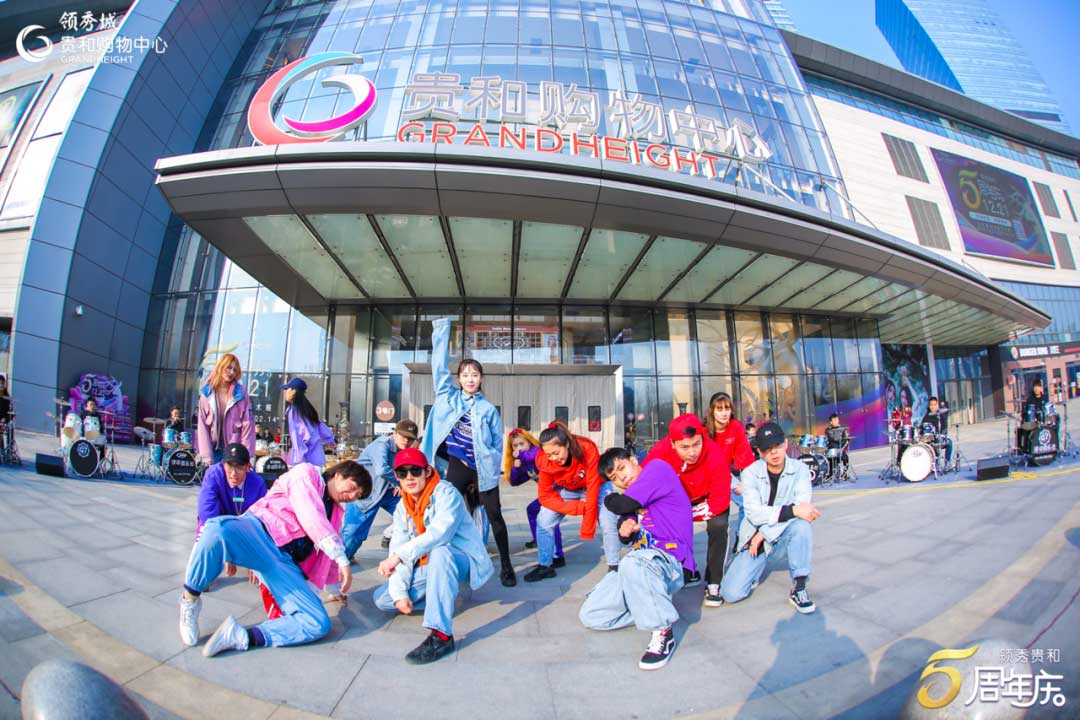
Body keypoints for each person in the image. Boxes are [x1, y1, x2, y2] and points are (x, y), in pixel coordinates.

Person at [178, 460, 371, 656]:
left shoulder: (335, 512)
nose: (352, 496)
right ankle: (189, 600)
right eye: (353, 488)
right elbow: (311, 516)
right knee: (216, 530)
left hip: (282, 563)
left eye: (357, 496)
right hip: (257, 532)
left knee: (317, 622)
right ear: (339, 474)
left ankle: (239, 636)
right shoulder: (306, 474)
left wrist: (335, 589)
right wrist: (342, 558)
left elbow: (326, 560)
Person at [373, 448, 494, 664]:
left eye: (415, 471)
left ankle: (441, 635)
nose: (409, 478)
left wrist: (399, 556)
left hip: (459, 560)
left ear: (427, 471)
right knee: (384, 600)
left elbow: (440, 533)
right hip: (429, 566)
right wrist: (400, 593)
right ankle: (442, 595)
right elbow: (399, 546)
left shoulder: (446, 493)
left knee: (440, 551)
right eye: (402, 473)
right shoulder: (402, 508)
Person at [420, 317, 515, 587]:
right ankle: (436, 560)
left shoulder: (488, 409)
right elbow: (439, 367)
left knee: (494, 515)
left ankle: (506, 565)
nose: (470, 379)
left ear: (481, 378)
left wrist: (491, 465)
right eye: (465, 375)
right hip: (457, 466)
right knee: (444, 512)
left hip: (483, 470)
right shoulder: (447, 396)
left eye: (475, 375)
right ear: (459, 379)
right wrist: (442, 330)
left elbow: (497, 443)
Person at [581, 447, 693, 670]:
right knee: (591, 615)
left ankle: (663, 630)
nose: (621, 478)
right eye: (614, 477)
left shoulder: (656, 469)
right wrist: (626, 528)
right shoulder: (633, 497)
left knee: (631, 561)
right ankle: (652, 604)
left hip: (671, 561)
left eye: (622, 468)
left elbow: (620, 504)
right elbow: (626, 530)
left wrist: (610, 498)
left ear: (633, 460)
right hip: (640, 568)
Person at [720, 422, 820, 614]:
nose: (774, 452)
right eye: (767, 448)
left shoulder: (800, 470)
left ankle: (799, 587)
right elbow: (754, 513)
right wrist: (791, 512)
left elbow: (803, 510)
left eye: (777, 446)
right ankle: (753, 569)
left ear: (785, 444)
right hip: (754, 541)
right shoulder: (750, 473)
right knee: (731, 593)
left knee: (802, 526)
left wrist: (764, 533)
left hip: (779, 538)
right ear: (759, 452)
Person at [643, 414, 726, 606]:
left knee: (719, 525)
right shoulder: (660, 452)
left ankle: (714, 581)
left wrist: (690, 514)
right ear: (672, 444)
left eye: (696, 444)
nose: (692, 452)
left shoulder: (714, 452)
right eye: (685, 447)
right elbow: (644, 479)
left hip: (707, 499)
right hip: (677, 500)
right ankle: (685, 568)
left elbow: (721, 497)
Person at [524, 421, 619, 582]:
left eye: (556, 453)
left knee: (608, 521)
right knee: (543, 520)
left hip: (597, 485)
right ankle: (546, 565)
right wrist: (577, 507)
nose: (554, 458)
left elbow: (593, 485)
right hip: (568, 487)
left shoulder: (586, 448)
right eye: (549, 455)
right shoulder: (544, 460)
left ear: (566, 444)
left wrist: (587, 526)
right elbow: (545, 496)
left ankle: (614, 567)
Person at [195, 442, 279, 618]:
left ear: (248, 467)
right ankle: (206, 568)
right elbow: (207, 513)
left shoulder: (257, 484)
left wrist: (254, 559)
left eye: (239, 467)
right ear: (223, 464)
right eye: (229, 466)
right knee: (206, 541)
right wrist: (226, 552)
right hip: (217, 524)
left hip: (243, 527)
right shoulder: (213, 475)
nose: (233, 473)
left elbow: (262, 522)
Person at [341, 419, 419, 561]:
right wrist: (400, 483)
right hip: (363, 492)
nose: (406, 441)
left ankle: (411, 555)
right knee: (353, 532)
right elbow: (382, 469)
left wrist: (399, 484)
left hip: (386, 491)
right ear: (395, 434)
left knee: (412, 515)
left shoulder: (406, 451)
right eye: (403, 436)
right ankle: (339, 561)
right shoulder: (382, 445)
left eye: (410, 438)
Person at [705, 392, 756, 585]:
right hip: (705, 476)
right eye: (719, 409)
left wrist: (747, 482)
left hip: (724, 475)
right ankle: (687, 566)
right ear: (712, 411)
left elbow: (745, 456)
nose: (724, 413)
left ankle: (742, 539)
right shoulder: (704, 430)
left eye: (727, 408)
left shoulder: (735, 427)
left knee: (747, 500)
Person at [505, 428, 564, 564]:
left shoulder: (538, 452)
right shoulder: (524, 462)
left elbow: (532, 456)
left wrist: (520, 455)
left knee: (549, 518)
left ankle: (558, 556)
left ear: (530, 443)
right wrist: (516, 468)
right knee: (532, 509)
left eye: (522, 444)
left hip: (563, 489)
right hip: (550, 493)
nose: (519, 448)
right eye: (515, 445)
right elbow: (514, 482)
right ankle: (540, 540)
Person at [196, 353, 255, 465]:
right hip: (213, 450)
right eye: (229, 367)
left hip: (234, 451)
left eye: (235, 370)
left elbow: (248, 425)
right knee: (214, 476)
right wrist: (206, 457)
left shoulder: (241, 393)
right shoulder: (207, 393)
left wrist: (247, 456)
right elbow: (202, 426)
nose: (231, 372)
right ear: (221, 367)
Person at [282, 377, 334, 467]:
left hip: (306, 463)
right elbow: (325, 432)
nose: (286, 392)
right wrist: (330, 440)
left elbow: (299, 438)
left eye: (287, 389)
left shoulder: (294, 411)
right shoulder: (307, 410)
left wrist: (298, 462)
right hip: (317, 460)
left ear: (294, 391)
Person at [1018, 379, 1058, 455]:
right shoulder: (1030, 400)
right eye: (1034, 387)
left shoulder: (1045, 399)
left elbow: (1050, 411)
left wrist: (1052, 418)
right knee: (1022, 429)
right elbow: (1026, 413)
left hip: (1044, 421)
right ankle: (1026, 450)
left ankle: (1055, 447)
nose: (1036, 389)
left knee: (1056, 423)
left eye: (1038, 387)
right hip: (1034, 423)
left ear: (1041, 388)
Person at [918, 397, 952, 467]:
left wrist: (942, 435)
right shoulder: (926, 417)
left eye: (934, 405)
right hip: (929, 440)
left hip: (939, 438)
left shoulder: (941, 415)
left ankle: (947, 463)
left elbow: (944, 427)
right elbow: (921, 429)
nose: (933, 407)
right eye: (931, 405)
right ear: (929, 406)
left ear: (937, 405)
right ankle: (933, 464)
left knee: (949, 442)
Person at [824, 412, 851, 479]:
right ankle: (830, 474)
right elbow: (829, 440)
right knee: (829, 458)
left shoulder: (843, 428)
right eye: (834, 420)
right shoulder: (828, 430)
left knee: (845, 457)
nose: (836, 421)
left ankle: (844, 473)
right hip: (832, 449)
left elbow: (846, 440)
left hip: (840, 448)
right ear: (831, 422)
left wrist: (841, 448)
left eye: (837, 419)